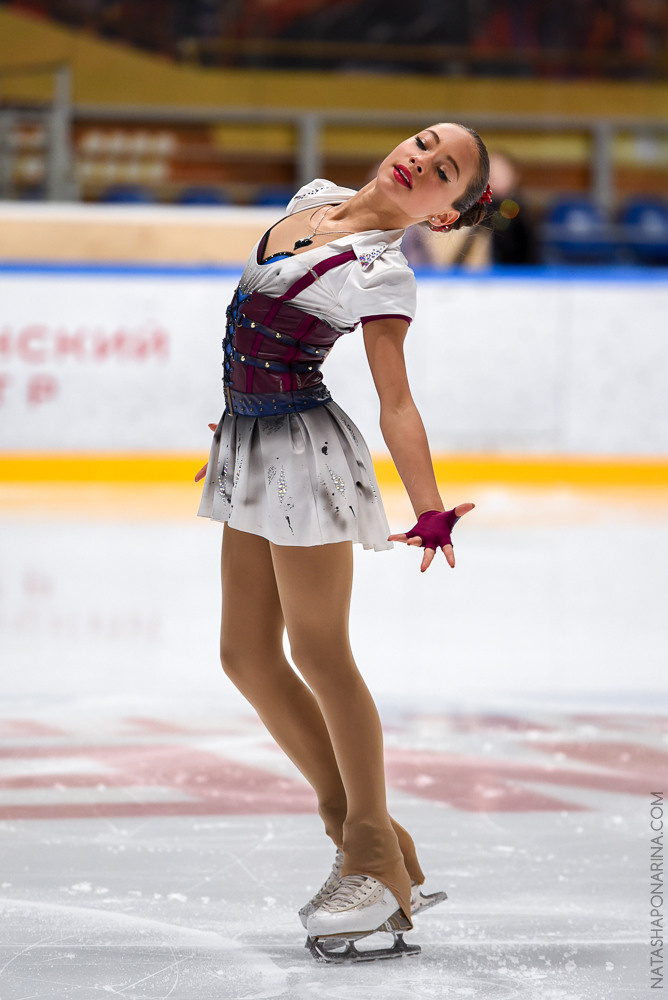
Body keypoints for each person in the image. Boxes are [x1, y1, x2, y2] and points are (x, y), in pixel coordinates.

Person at [196, 121, 491, 960]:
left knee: (322, 653)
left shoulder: (381, 271)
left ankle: (368, 855)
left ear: (443, 213)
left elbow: (397, 403)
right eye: (425, 144)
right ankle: (372, 841)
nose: (420, 161)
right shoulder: (314, 201)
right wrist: (233, 423)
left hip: (305, 457)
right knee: (245, 655)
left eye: (443, 173)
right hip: (250, 443)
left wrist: (428, 507)